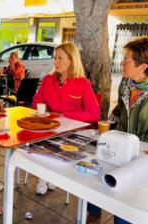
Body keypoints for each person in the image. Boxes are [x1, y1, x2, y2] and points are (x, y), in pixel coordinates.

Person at [87, 36, 148, 224]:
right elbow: (119, 110)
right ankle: (93, 215)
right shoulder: (128, 81)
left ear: (143, 66)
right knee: (93, 182)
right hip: (121, 147)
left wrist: (124, 148)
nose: (121, 62)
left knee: (124, 209)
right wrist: (109, 129)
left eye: (126, 59)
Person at [31, 42, 100, 195]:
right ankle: (45, 176)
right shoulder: (48, 80)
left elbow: (94, 113)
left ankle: (50, 176)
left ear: (72, 60)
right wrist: (44, 110)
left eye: (60, 58)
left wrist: (66, 115)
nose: (56, 62)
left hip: (72, 131)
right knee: (38, 142)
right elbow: (36, 101)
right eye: (55, 58)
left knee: (55, 145)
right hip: (49, 126)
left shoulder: (83, 84)